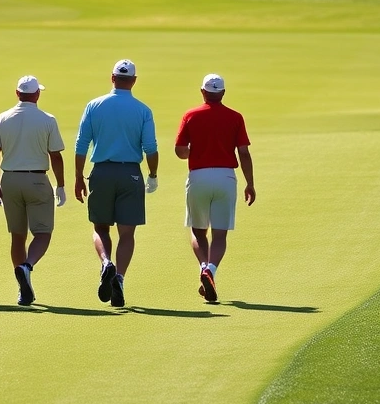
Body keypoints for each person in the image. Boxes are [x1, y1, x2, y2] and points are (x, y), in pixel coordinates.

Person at [74, 59, 158, 307]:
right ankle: (119, 278)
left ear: (112, 78)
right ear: (133, 81)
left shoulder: (94, 105)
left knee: (101, 227)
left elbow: (81, 144)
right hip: (130, 173)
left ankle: (105, 263)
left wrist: (79, 176)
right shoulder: (143, 110)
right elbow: (150, 148)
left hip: (101, 171)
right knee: (127, 233)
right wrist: (152, 174)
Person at [174, 73, 256, 302]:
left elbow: (180, 150)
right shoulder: (235, 117)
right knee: (220, 234)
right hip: (226, 177)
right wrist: (250, 183)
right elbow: (244, 152)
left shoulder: (190, 115)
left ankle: (203, 266)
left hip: (198, 177)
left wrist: (196, 152)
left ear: (203, 92)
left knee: (198, 230)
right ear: (222, 93)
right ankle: (211, 269)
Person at [0, 75, 67, 306]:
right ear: (37, 94)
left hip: (9, 180)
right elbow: (55, 155)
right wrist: (60, 185)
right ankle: (27, 266)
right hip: (37, 180)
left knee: (17, 236)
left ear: (17, 93)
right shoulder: (47, 120)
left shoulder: (2, 118)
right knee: (42, 234)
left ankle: (23, 290)